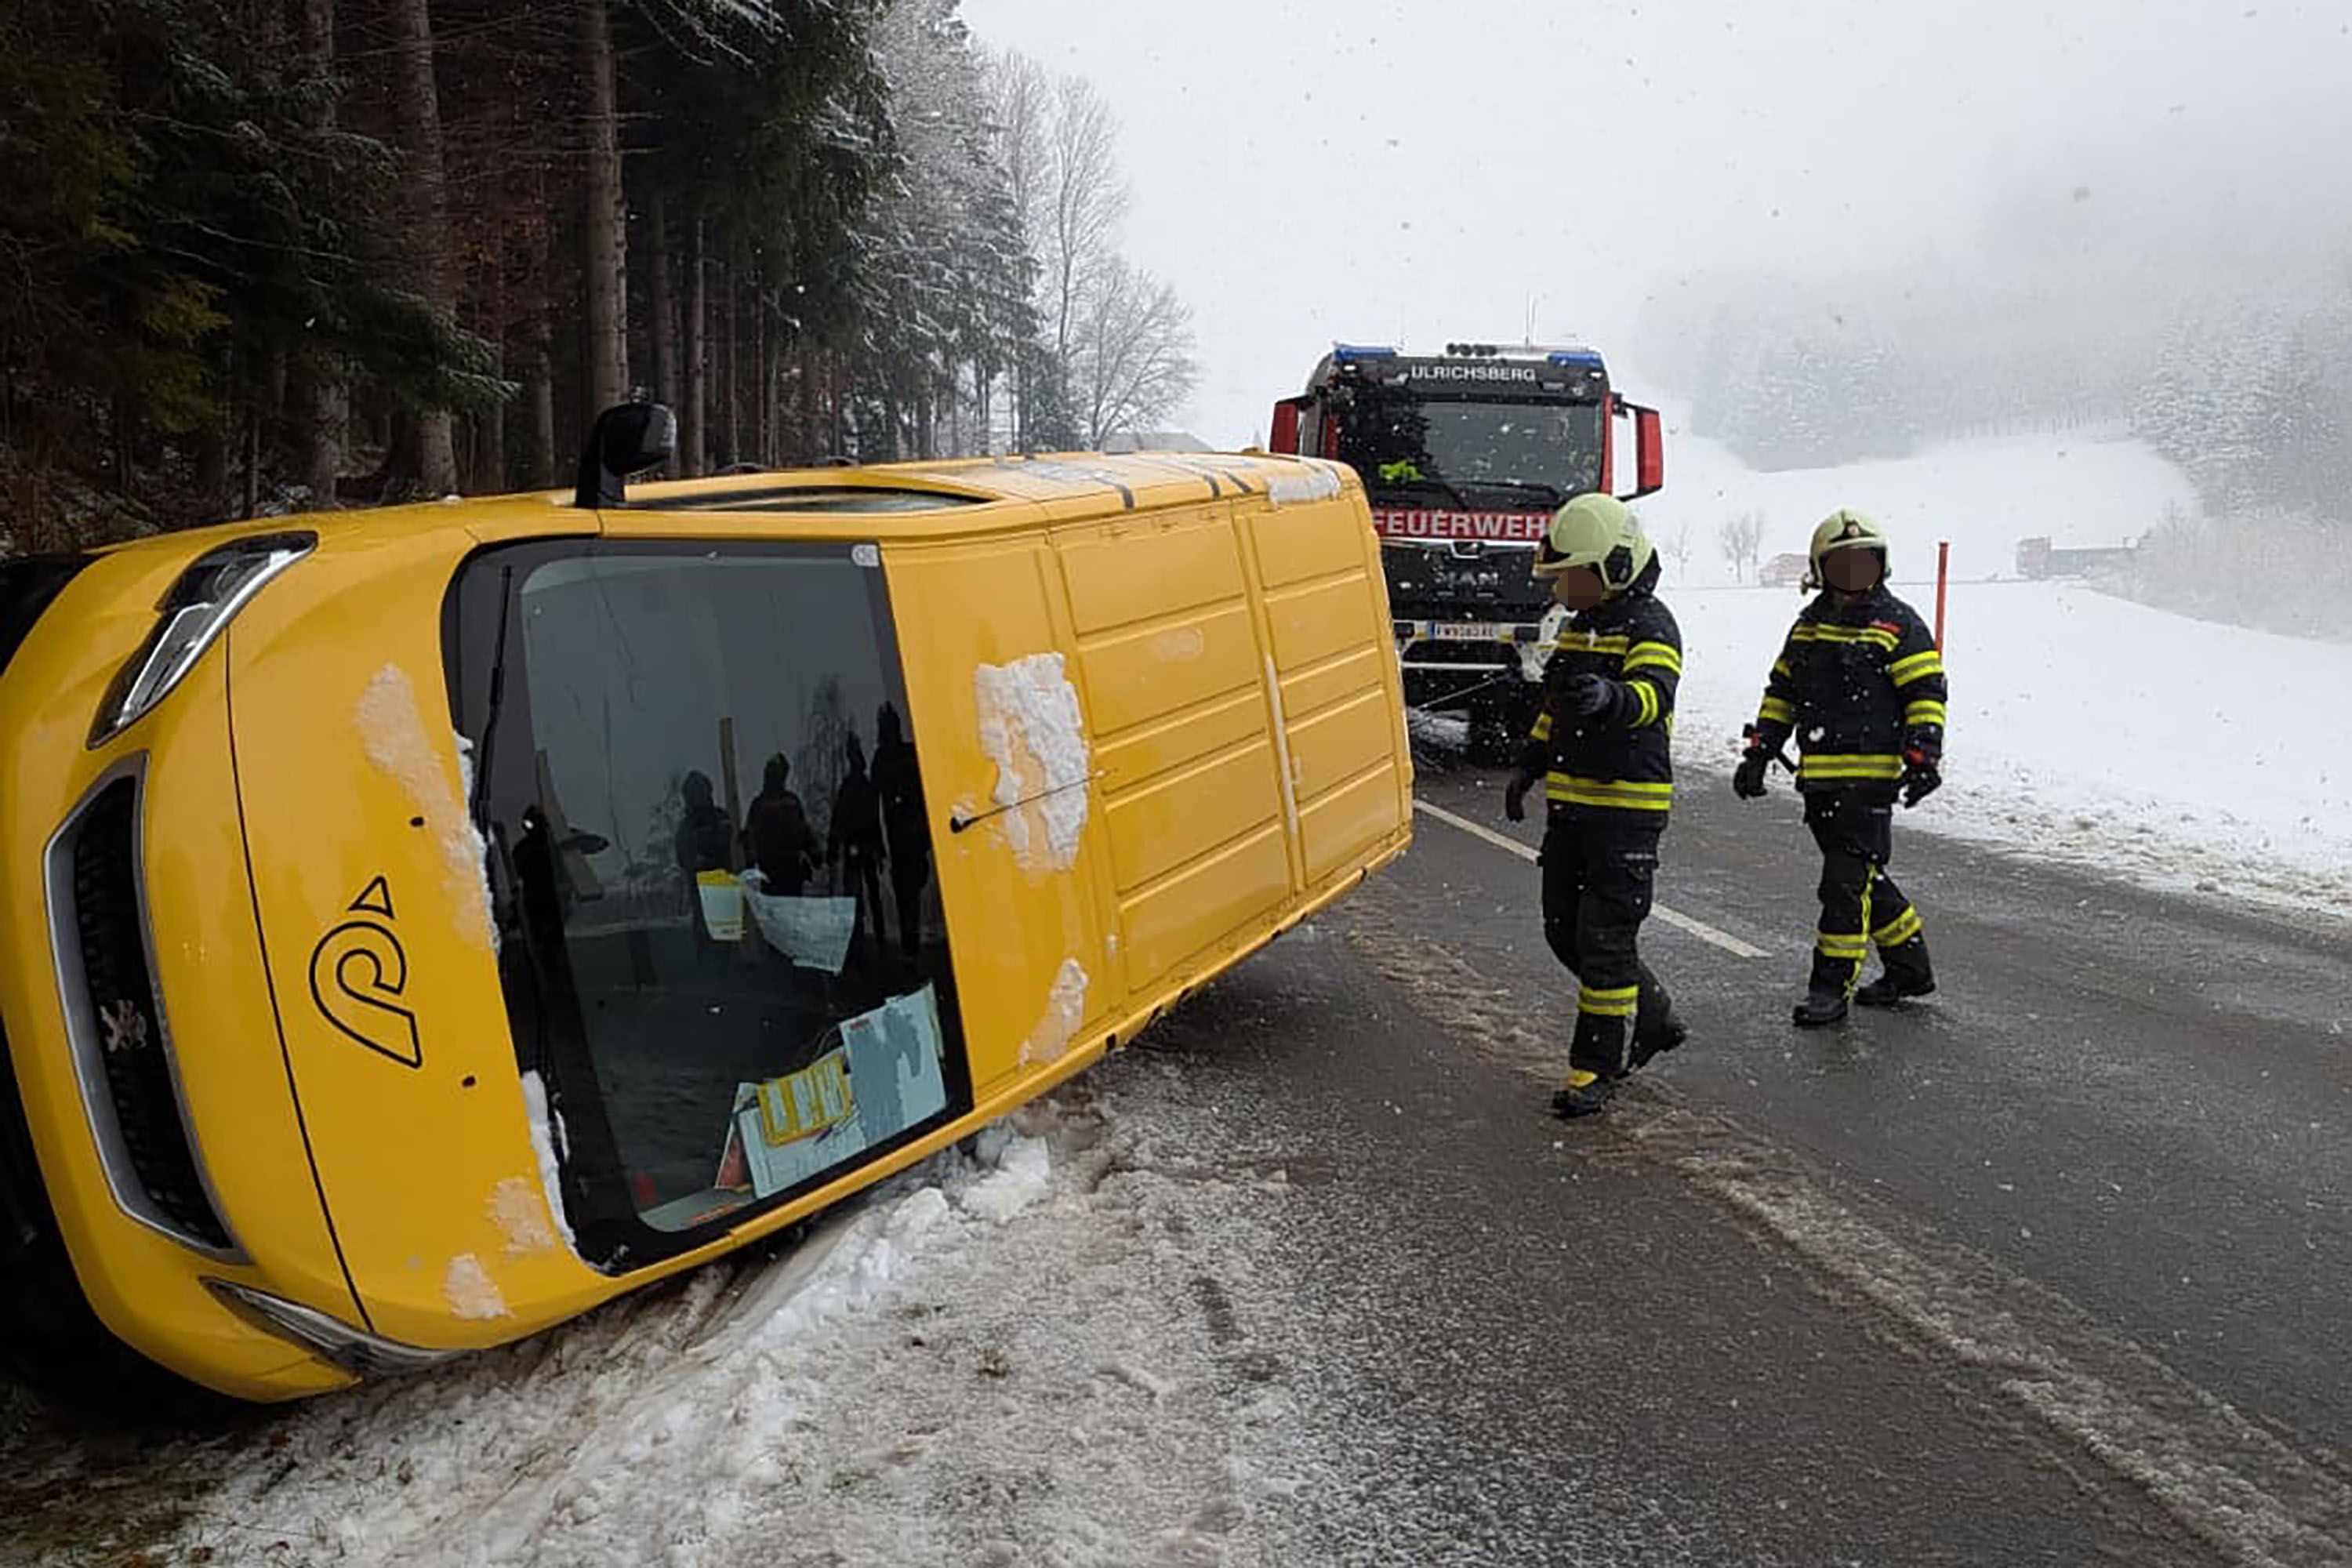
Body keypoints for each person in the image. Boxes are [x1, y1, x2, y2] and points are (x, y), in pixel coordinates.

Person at [1504, 493, 1688, 1118]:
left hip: (1626, 813)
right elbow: (1554, 709)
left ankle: (1595, 1068)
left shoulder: (1653, 627)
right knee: (1564, 933)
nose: (1561, 588)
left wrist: (1610, 698)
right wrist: (1529, 765)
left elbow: (1652, 697)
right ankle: (1654, 1011)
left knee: (1604, 938)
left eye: (1570, 576)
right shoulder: (1579, 629)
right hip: (1572, 811)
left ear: (1612, 566)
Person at [1733, 509, 1948, 1027]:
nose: (1855, 572)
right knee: (1864, 878)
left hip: (1870, 784)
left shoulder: (1899, 624)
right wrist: (1760, 751)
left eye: (1865, 562)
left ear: (1881, 566)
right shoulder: (1807, 627)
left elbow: (1926, 692)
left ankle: (1830, 989)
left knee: (1843, 886)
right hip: (1821, 783)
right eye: (1843, 563)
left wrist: (1923, 756)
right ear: (1820, 569)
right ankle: (1909, 968)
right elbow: (1782, 692)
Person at [870, 703, 931, 960]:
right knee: (906, 894)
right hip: (900, 839)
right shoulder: (882, 760)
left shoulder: (907, 755)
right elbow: (873, 805)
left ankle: (911, 945)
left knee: (912, 889)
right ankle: (910, 947)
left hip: (916, 835)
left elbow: (926, 791)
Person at [827, 733, 887, 946]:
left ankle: (874, 938)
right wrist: (833, 850)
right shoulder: (852, 788)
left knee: (868, 895)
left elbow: (874, 821)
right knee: (858, 897)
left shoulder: (862, 787)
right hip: (857, 849)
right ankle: (860, 939)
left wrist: (879, 850)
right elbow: (839, 821)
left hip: (864, 848)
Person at [743, 754, 820, 896]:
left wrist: (814, 854)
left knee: (782, 911)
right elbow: (804, 831)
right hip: (778, 870)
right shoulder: (784, 802)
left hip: (785, 869)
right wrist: (814, 854)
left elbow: (803, 831)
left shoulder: (767, 803)